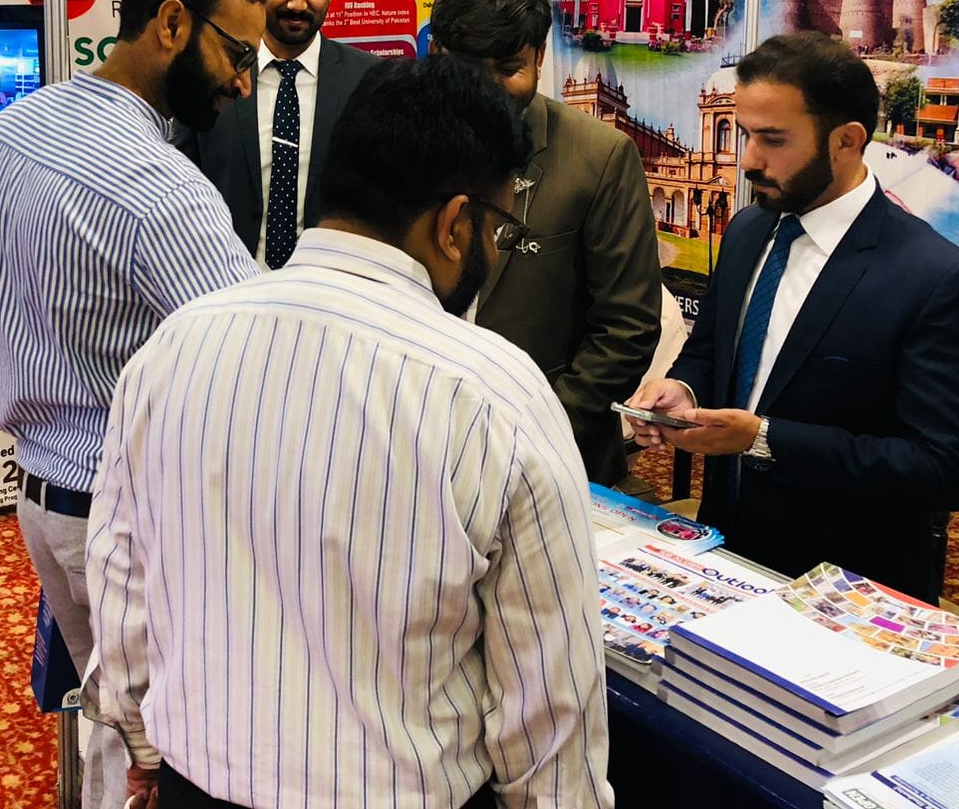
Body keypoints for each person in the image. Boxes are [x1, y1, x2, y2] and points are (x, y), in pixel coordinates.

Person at [86, 56, 612, 809]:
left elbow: (121, 576)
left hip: (196, 784)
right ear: (454, 224)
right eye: (497, 226)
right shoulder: (495, 392)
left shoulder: (176, 345)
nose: (494, 250)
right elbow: (550, 696)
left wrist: (142, 743)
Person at [0, 0, 264, 809]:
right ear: (172, 24)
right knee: (162, 751)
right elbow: (256, 374)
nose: (244, 83)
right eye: (237, 54)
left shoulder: (7, 132)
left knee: (109, 716)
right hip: (135, 524)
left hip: (42, 502)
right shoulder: (161, 189)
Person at [627, 32, 959, 602]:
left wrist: (765, 439)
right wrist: (683, 389)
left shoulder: (937, 280)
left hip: (847, 586)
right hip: (725, 552)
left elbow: (943, 469)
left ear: (847, 140)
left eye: (773, 140)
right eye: (745, 134)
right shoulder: (749, 231)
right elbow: (711, 352)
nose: (749, 160)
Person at [429, 0, 662, 489]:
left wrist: (535, 434)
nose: (487, 89)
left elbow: (627, 326)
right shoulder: (401, 144)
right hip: (420, 448)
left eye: (508, 68)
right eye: (467, 68)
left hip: (551, 458)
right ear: (436, 52)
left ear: (538, 57)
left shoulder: (599, 156)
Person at [172, 0, 378, 269]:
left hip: (328, 288)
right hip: (222, 283)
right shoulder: (209, 74)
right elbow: (177, 189)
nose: (298, 3)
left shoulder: (371, 82)